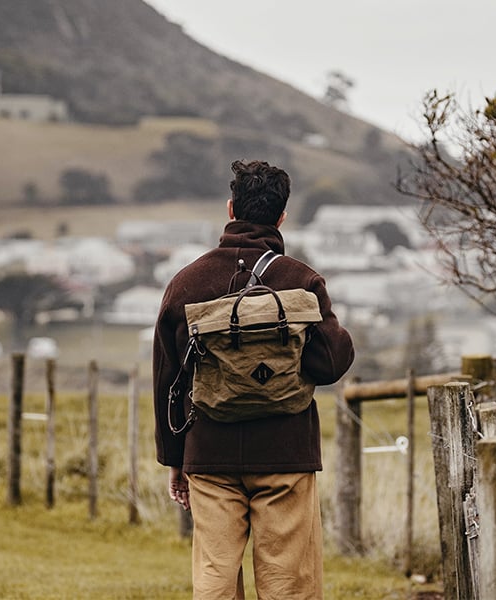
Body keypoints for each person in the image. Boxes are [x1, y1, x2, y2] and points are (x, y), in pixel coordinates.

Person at [153, 159, 355, 599]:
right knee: (289, 581)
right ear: (281, 217)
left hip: (209, 451)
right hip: (286, 452)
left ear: (230, 210)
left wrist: (175, 460)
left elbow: (169, 378)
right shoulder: (301, 280)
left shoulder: (186, 283)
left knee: (215, 576)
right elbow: (331, 364)